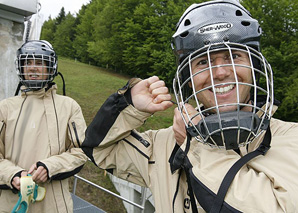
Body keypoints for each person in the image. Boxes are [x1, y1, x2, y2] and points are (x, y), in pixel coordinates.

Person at [81, 0, 298, 212]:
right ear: (189, 77)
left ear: (254, 65)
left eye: (233, 56)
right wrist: (127, 105)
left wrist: (196, 146)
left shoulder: (290, 138)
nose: (220, 73)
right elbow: (100, 151)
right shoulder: (164, 145)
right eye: (203, 62)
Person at [0, 40, 87, 212]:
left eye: (39, 62)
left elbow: (81, 151)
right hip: (12, 206)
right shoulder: (5, 107)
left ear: (50, 67)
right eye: (28, 62)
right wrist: (13, 175)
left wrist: (49, 167)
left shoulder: (69, 106)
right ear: (21, 67)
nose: (32, 68)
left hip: (55, 207)